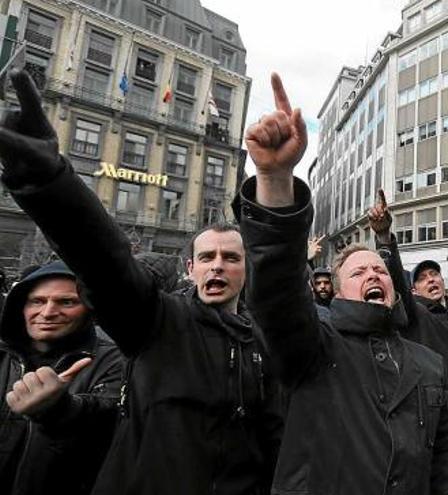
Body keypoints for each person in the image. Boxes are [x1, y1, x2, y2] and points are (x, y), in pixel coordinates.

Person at [0, 70, 283, 494]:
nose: (217, 267)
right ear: (190, 268)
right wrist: (50, 184)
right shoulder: (158, 323)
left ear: (247, 269)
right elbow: (105, 264)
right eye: (206, 257)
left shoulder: (264, 343)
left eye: (230, 258)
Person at [235, 72, 448, 494]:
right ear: (338, 292)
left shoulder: (428, 364)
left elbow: (445, 456)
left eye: (379, 270)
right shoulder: (315, 345)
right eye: (358, 273)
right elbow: (275, 292)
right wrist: (274, 181)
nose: (374, 274)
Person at [367, 189, 448, 489]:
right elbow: (396, 281)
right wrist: (385, 238)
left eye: (435, 275)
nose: (432, 280)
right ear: (413, 291)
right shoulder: (416, 316)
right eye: (423, 278)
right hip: (436, 426)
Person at [0, 261, 122, 495]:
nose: (47, 313)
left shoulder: (113, 361)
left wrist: (60, 410)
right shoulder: (2, 355)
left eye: (66, 302)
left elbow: (111, 424)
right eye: (37, 301)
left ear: (89, 308)